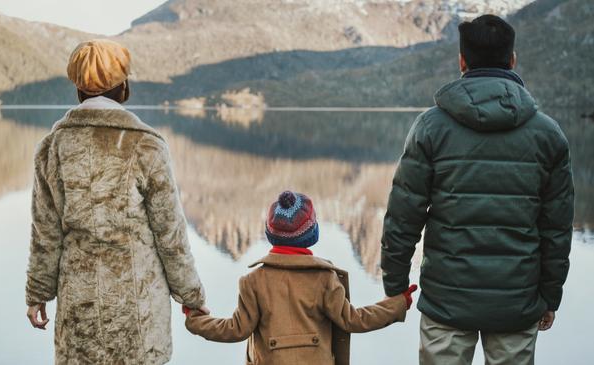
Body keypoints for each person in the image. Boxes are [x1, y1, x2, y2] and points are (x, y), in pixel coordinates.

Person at [380, 14, 575, 365]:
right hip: (517, 303)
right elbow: (557, 229)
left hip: (445, 304)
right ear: (512, 59)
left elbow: (403, 217)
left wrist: (395, 287)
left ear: (462, 61)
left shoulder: (430, 128)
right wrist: (549, 296)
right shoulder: (548, 135)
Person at [24, 39, 208, 365]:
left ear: (78, 89)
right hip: (138, 313)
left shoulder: (52, 147)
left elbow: (45, 233)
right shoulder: (146, 145)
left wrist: (38, 293)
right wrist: (191, 296)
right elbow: (170, 234)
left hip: (79, 309)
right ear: (123, 86)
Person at [184, 191, 418, 365]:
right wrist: (397, 304)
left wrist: (195, 320)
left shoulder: (253, 281)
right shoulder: (324, 279)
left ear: (270, 234)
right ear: (311, 234)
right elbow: (354, 320)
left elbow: (234, 329)